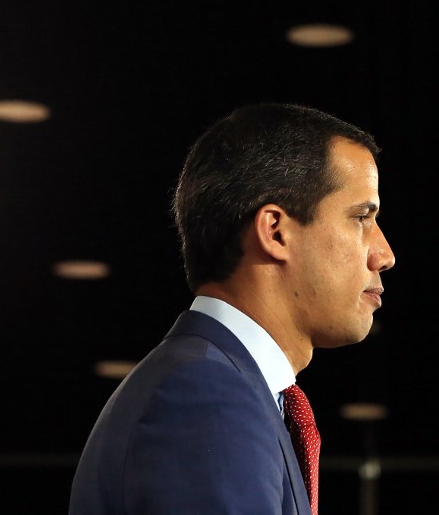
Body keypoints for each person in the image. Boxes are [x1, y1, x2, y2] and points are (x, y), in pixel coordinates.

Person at [69, 103, 396, 515]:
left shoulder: (225, 385)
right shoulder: (206, 394)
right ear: (275, 231)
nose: (384, 254)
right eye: (361, 217)